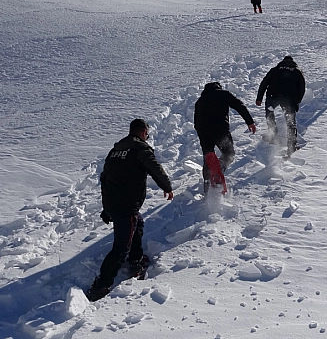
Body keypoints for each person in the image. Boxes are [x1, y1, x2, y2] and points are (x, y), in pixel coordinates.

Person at [86, 119, 174, 302]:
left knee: (138, 223)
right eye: (147, 134)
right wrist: (166, 186)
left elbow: (105, 179)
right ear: (143, 132)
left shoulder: (116, 151)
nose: (147, 137)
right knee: (121, 246)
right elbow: (154, 168)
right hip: (125, 205)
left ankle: (136, 260)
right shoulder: (140, 149)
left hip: (114, 202)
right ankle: (101, 284)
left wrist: (107, 207)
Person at [194, 82, 256, 193]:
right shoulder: (223, 94)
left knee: (208, 157)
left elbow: (196, 122)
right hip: (220, 130)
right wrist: (249, 121)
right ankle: (219, 168)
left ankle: (208, 184)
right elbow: (239, 105)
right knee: (229, 153)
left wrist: (201, 134)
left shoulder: (199, 101)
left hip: (203, 132)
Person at [255, 55, 306, 156]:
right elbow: (301, 88)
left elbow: (264, 83)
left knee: (270, 114)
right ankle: (292, 146)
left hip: (273, 96)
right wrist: (297, 102)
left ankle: (273, 135)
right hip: (289, 99)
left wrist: (259, 98)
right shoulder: (297, 72)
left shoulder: (275, 70)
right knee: (290, 122)